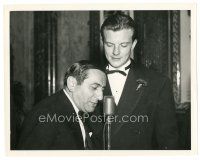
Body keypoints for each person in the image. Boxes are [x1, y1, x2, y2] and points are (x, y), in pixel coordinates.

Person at [92, 12, 179, 150]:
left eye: (123, 45)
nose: (116, 52)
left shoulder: (158, 83)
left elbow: (169, 142)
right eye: (110, 44)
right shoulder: (87, 79)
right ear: (102, 43)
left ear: (133, 44)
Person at [17, 60, 106, 150]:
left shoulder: (79, 110)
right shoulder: (47, 114)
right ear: (72, 84)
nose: (100, 97)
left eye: (102, 89)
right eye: (94, 88)